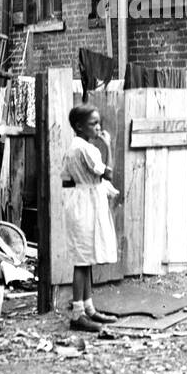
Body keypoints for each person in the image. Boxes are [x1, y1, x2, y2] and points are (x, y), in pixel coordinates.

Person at [61, 103, 119, 332]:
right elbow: (109, 173)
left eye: (98, 123)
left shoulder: (76, 147)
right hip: (85, 205)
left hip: (82, 202)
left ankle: (88, 309)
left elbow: (72, 179)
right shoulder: (87, 149)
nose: (98, 128)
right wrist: (109, 145)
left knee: (86, 259)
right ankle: (77, 315)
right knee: (82, 261)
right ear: (79, 126)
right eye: (93, 124)